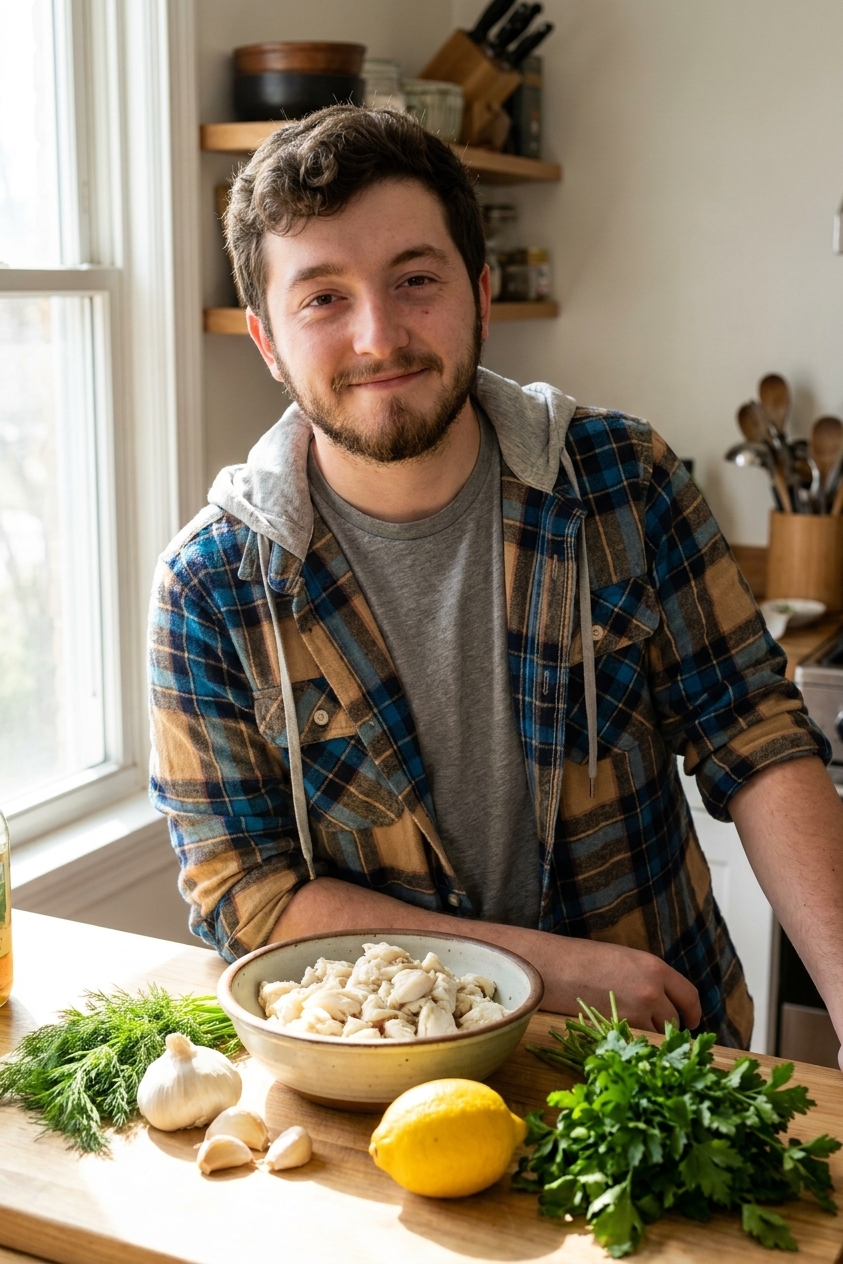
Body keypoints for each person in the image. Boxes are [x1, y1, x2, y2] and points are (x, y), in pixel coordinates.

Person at [148, 106, 843, 1056]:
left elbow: (755, 734)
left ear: (479, 291)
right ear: (267, 340)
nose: (377, 336)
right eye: (322, 298)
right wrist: (550, 971)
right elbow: (248, 896)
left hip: (671, 1061)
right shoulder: (210, 589)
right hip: (388, 1088)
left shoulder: (620, 478)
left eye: (415, 279)